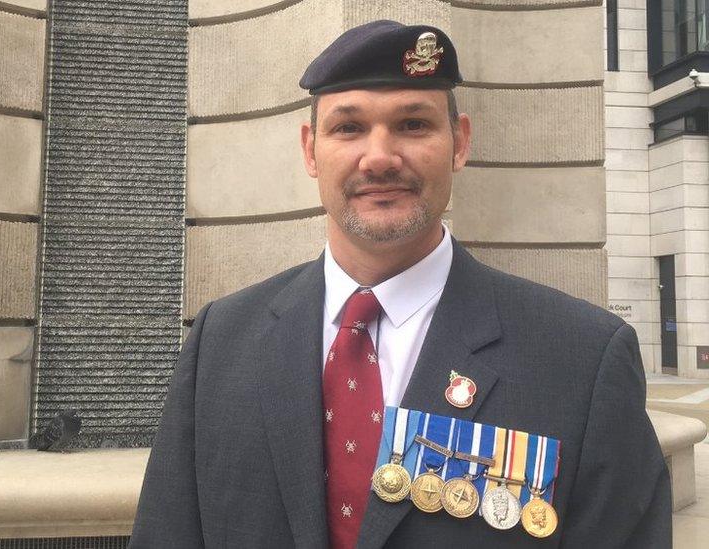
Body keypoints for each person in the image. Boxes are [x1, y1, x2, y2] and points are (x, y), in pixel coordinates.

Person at [130, 20, 671, 548]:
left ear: (459, 143)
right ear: (309, 150)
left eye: (413, 124)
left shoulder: (581, 358)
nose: (381, 157)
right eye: (349, 127)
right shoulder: (221, 340)